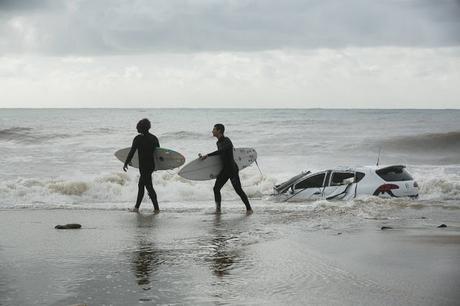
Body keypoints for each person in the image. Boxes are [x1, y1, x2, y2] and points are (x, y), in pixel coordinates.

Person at [199, 123, 252, 213]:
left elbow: (221, 151)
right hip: (225, 170)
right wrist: (205, 160)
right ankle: (218, 209)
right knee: (216, 188)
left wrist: (207, 155)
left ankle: (249, 209)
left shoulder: (227, 140)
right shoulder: (218, 142)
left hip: (232, 169)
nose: (212, 131)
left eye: (214, 129)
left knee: (238, 190)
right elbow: (220, 156)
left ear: (219, 130)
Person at [123, 118, 160, 213]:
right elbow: (159, 153)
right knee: (142, 185)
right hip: (151, 165)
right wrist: (159, 166)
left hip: (143, 166)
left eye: (138, 127)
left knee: (148, 186)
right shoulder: (154, 138)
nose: (136, 129)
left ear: (141, 128)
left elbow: (132, 151)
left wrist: (126, 162)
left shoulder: (138, 138)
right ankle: (138, 208)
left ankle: (156, 209)